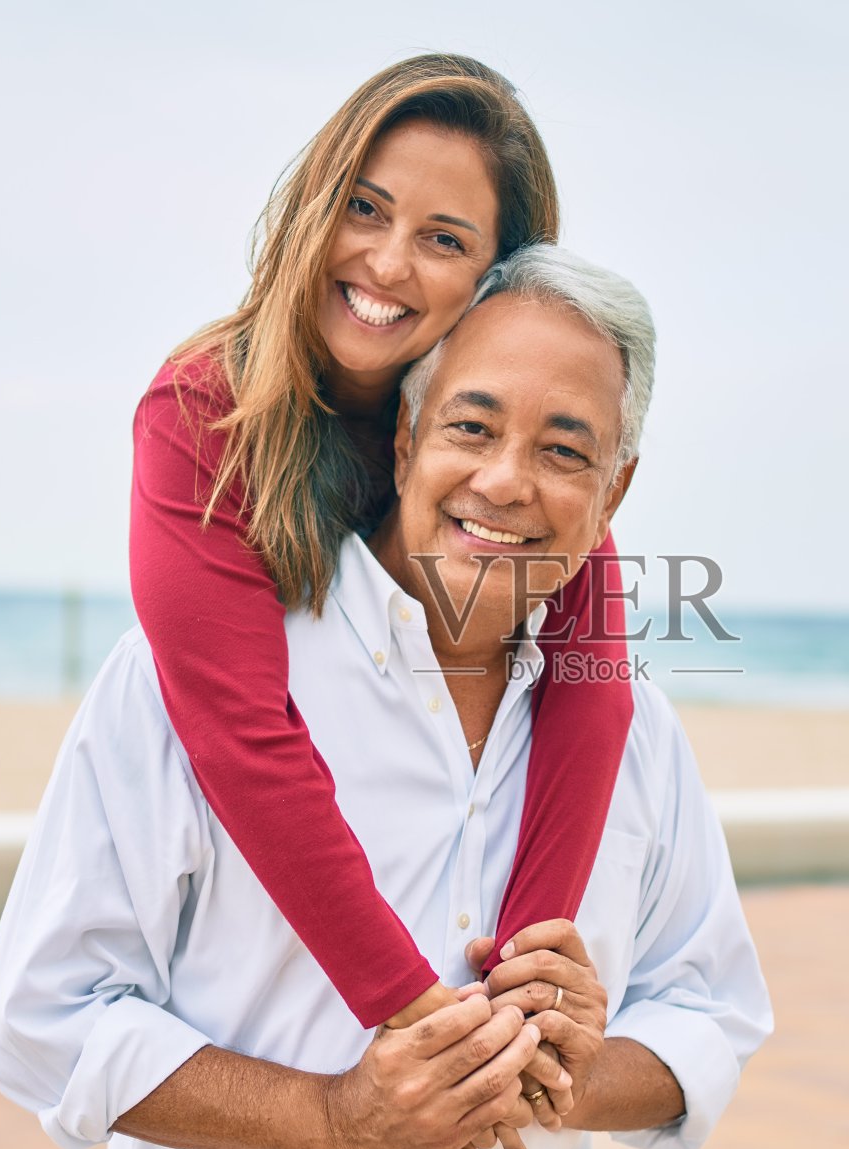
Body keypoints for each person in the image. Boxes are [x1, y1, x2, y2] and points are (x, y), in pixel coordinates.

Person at [0, 247, 772, 1149]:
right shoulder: (197, 681)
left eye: (565, 452)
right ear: (402, 440)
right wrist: (334, 1121)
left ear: (614, 494)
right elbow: (46, 1022)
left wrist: (571, 1068)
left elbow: (708, 1016)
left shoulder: (637, 732)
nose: (503, 481)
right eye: (471, 427)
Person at [131, 53, 634, 1044]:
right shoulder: (202, 407)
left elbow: (590, 682)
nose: (389, 263)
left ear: (494, 280)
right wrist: (410, 1013)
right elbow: (241, 734)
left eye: (441, 239)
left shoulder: (500, 454)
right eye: (365, 209)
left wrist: (522, 986)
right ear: (317, 208)